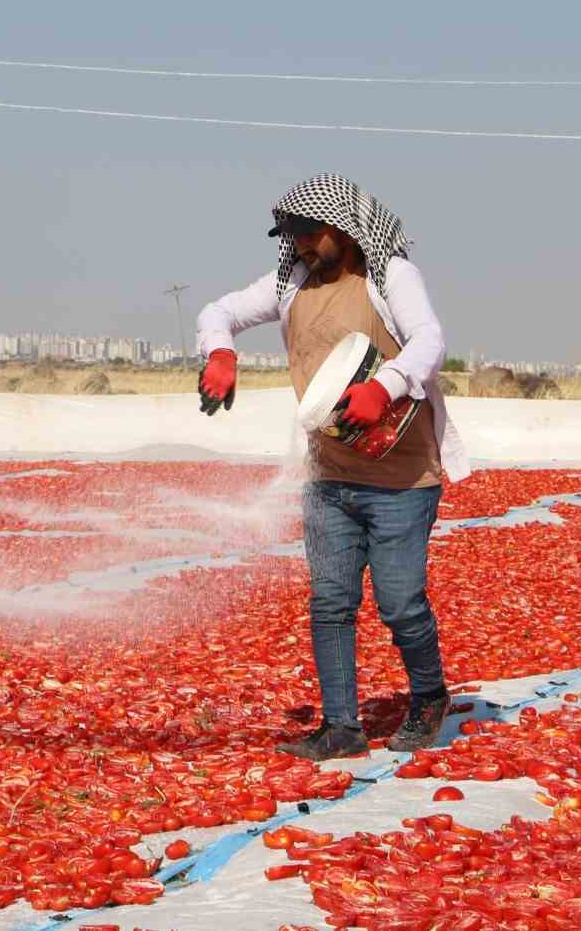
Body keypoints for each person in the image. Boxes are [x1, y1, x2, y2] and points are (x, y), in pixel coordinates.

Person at [195, 173, 470, 761]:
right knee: (330, 602)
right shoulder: (289, 284)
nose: (293, 244)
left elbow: (429, 340)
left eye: (302, 232)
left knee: (400, 603)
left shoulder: (389, 275)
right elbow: (219, 310)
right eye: (286, 234)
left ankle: (429, 697)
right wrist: (219, 350)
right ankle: (341, 727)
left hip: (401, 478)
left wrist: (386, 387)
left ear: (339, 227)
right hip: (327, 476)